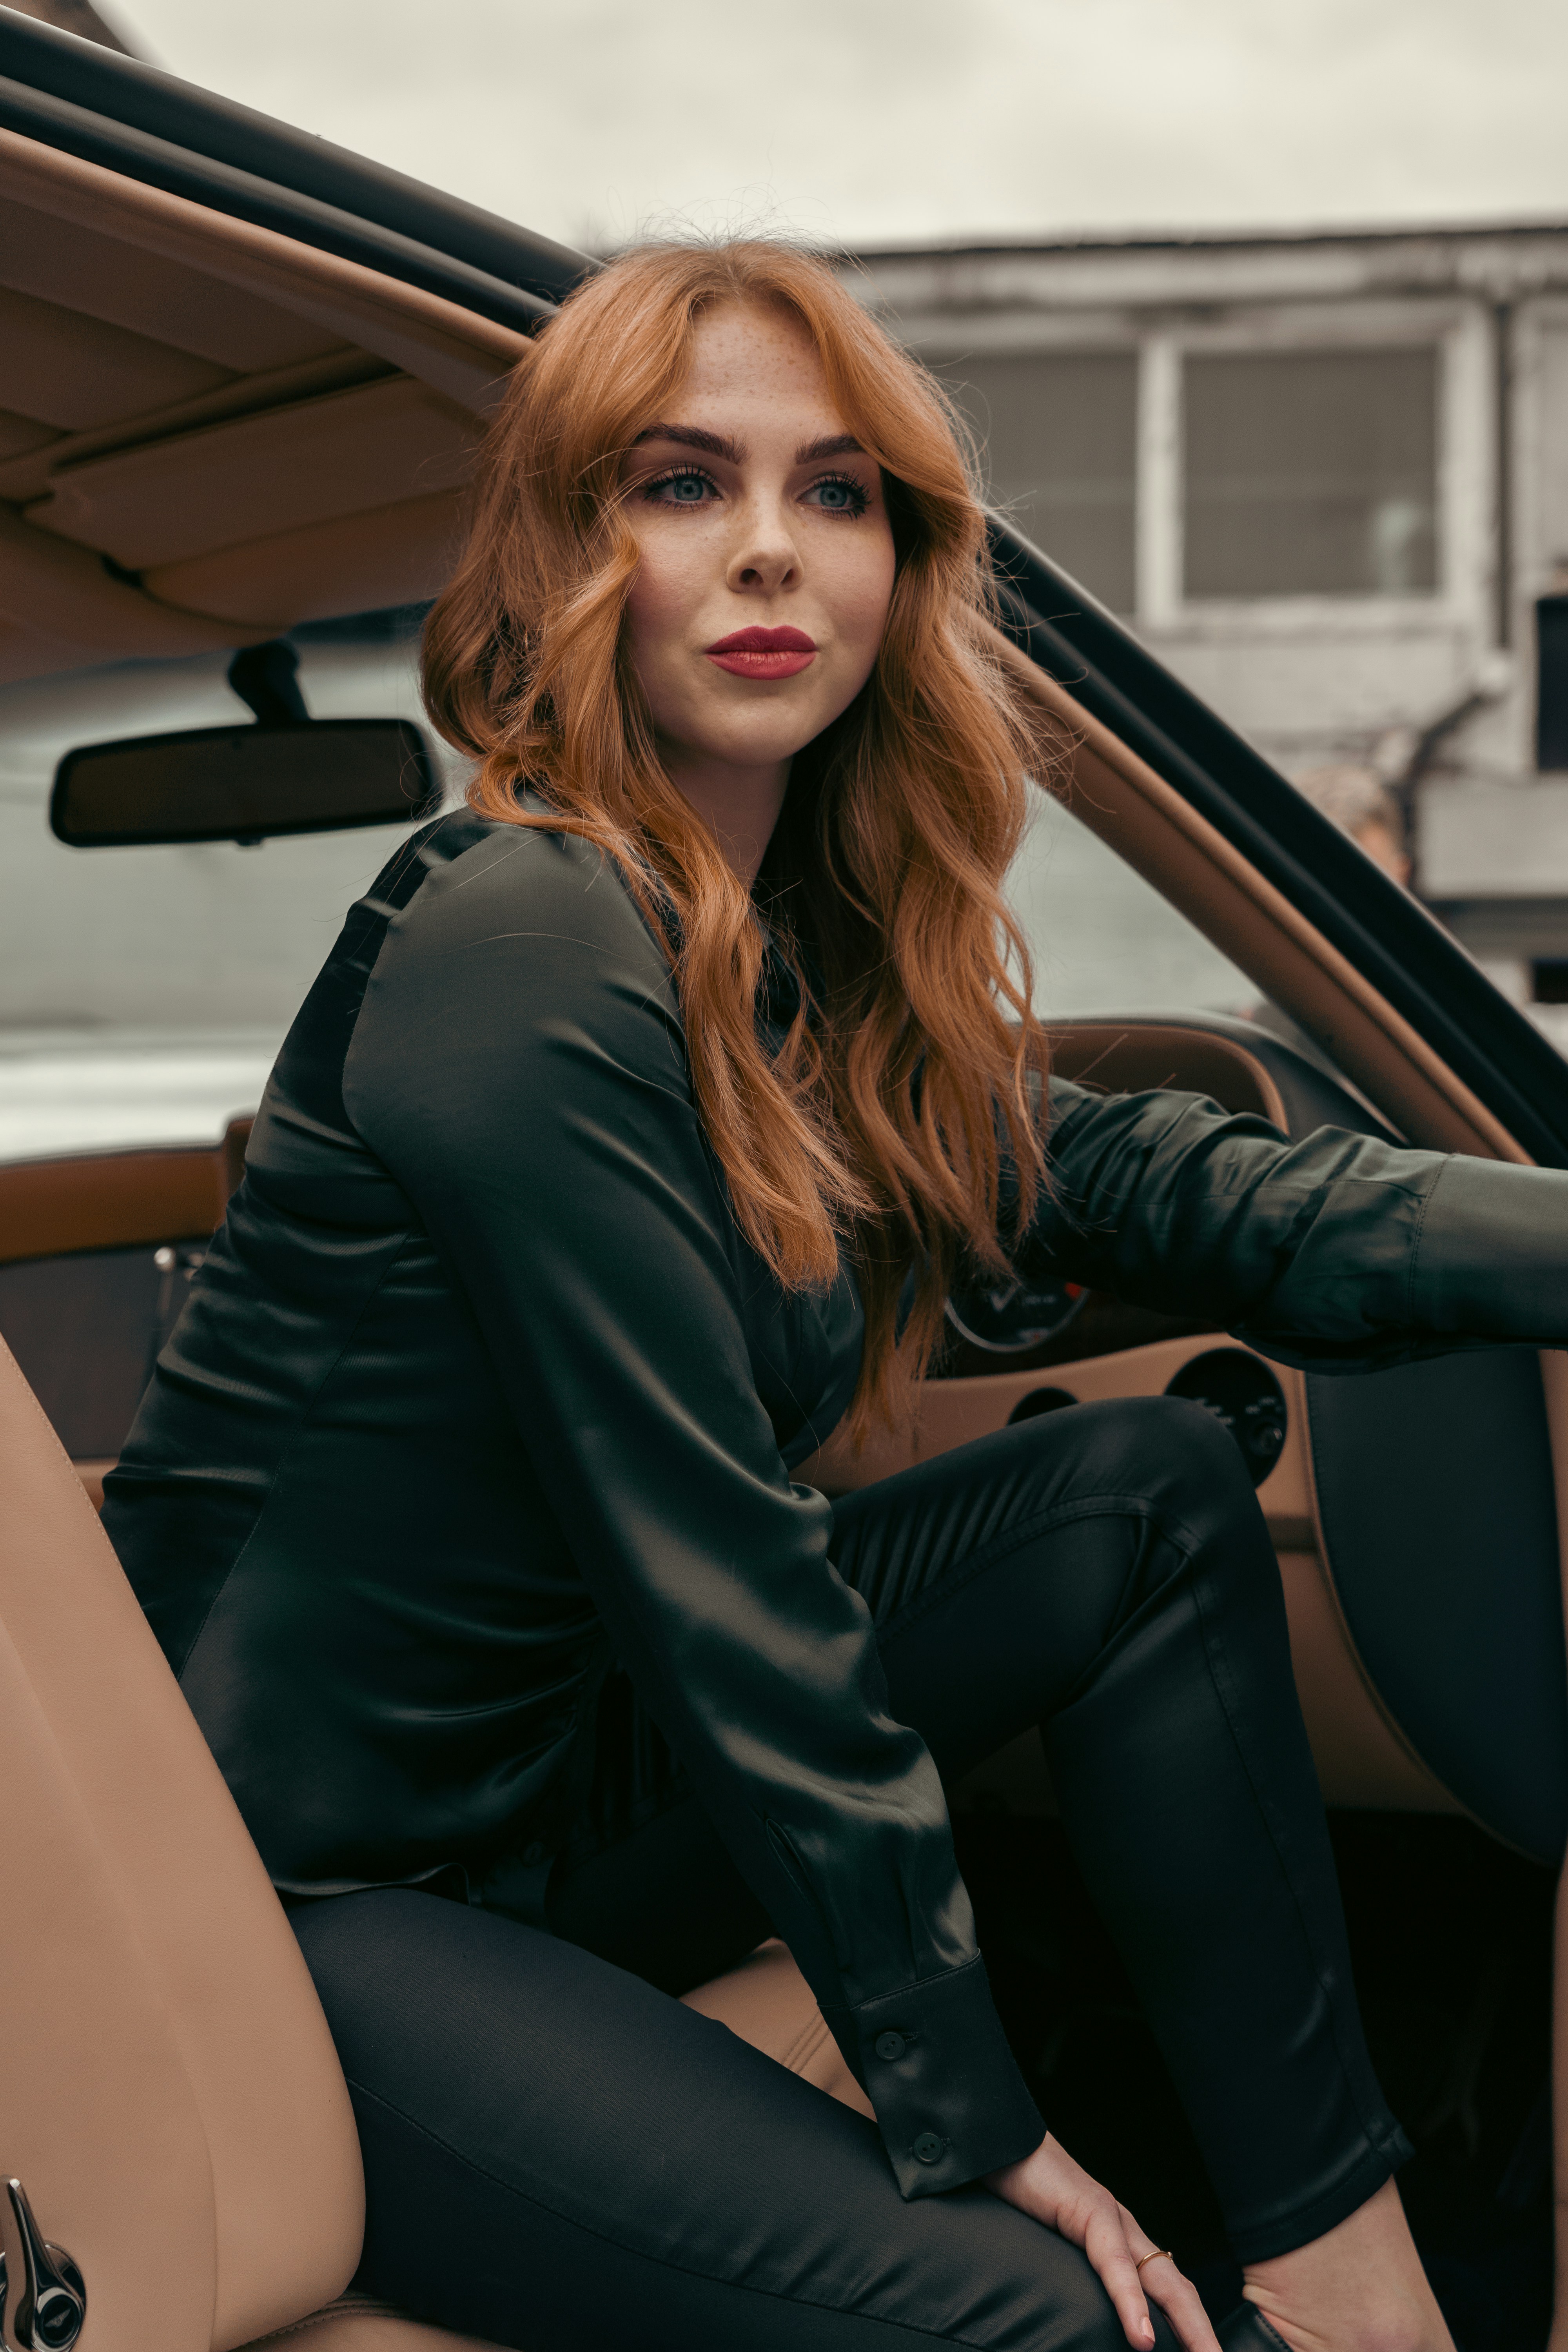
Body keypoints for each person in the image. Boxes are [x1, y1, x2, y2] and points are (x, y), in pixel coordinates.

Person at [103, 240, 1568, 2352]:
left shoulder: (787, 999)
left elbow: (1218, 1194)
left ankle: (1352, 2285)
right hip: (285, 1902)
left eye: (840, 492)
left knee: (1148, 1502)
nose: (773, 549)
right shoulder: (515, 936)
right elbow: (724, 1579)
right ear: (563, 551)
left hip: (536, 1802)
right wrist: (976, 2115)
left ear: (901, 565)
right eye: (681, 484)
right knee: (1051, 2323)